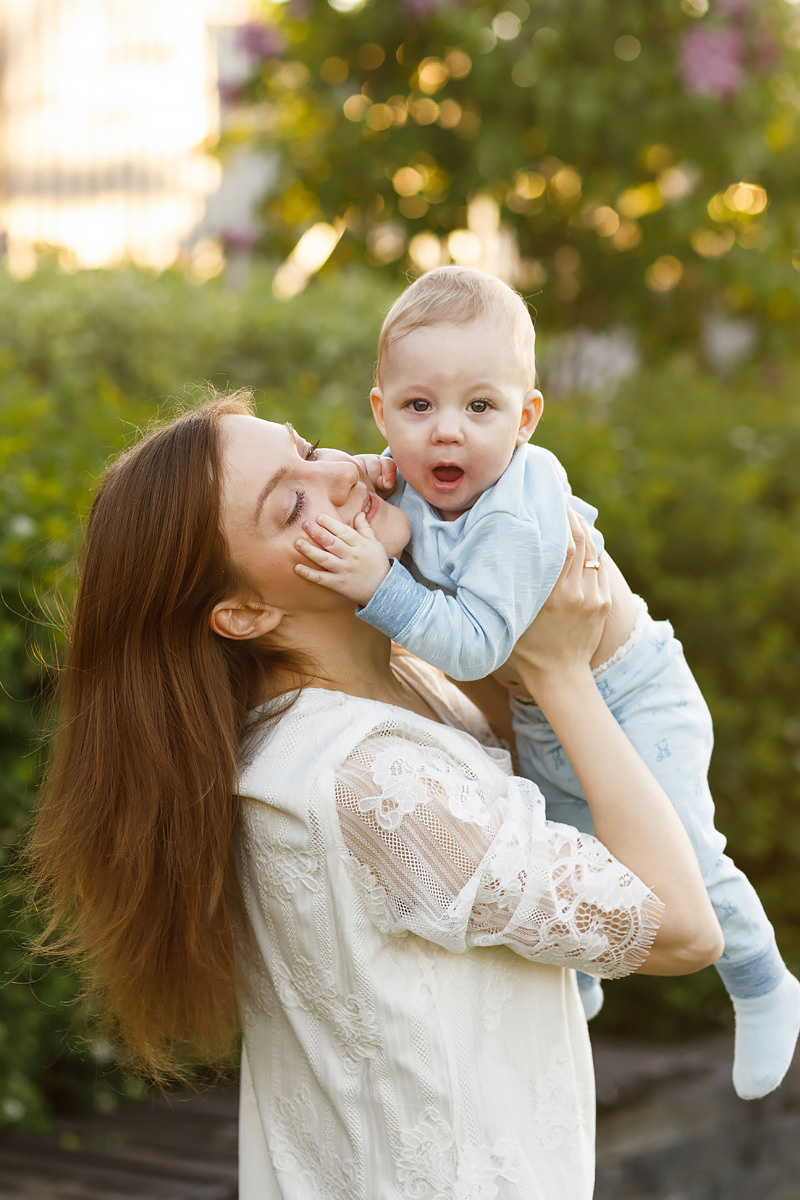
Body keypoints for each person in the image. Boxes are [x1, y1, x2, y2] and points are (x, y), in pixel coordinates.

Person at [29, 391, 721, 1200]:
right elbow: (682, 929)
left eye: (308, 448)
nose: (339, 476)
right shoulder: (371, 780)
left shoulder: (402, 689)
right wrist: (561, 673)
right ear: (245, 612)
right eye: (292, 507)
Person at [292, 265, 800, 1102]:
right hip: (541, 708)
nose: (447, 432)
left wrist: (376, 584)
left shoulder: (517, 509)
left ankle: (761, 980)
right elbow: (389, 485)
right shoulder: (409, 474)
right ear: (381, 412)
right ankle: (582, 985)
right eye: (418, 406)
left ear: (525, 418)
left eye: (479, 407)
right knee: (569, 843)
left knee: (684, 852)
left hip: (635, 698)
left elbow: (475, 646)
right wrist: (360, 474)